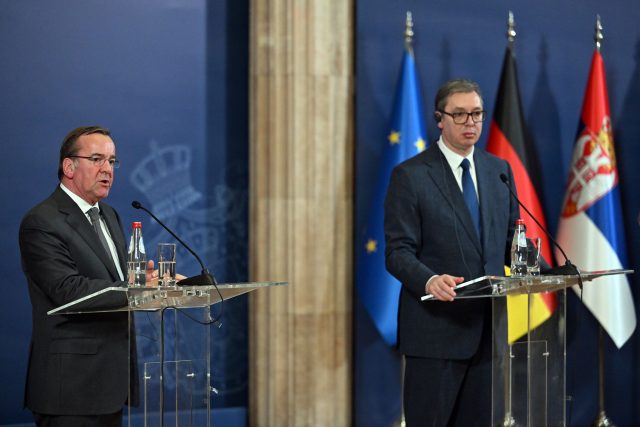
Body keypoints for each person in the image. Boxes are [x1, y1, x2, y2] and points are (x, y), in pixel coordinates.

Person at [384, 79, 520, 426]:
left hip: (487, 333)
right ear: (439, 119)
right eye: (459, 115)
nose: (470, 122)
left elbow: (510, 244)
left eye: (476, 113)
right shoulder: (411, 175)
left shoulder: (498, 171)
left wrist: (549, 274)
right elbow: (398, 251)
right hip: (435, 334)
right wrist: (429, 280)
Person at [19, 126, 157, 426]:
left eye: (112, 161)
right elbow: (67, 290)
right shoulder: (42, 221)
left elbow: (122, 281)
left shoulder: (110, 215)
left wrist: (150, 282)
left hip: (111, 382)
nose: (107, 169)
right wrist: (133, 288)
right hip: (70, 388)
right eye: (97, 159)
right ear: (69, 166)